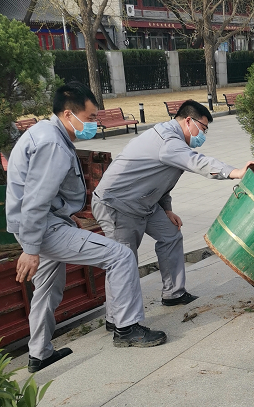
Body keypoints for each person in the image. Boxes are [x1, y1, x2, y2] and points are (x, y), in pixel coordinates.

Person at [6, 83, 167, 374]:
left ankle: (39, 354)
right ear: (69, 114)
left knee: (47, 288)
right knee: (120, 255)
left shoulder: (46, 132)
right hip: (42, 228)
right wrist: (30, 248)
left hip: (43, 224)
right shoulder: (53, 144)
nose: (95, 123)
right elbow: (36, 199)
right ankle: (126, 329)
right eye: (90, 117)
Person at [92, 100, 254, 331]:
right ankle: (120, 323)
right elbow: (198, 162)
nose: (203, 135)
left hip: (144, 202)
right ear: (188, 120)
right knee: (123, 260)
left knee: (170, 235)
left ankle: (173, 293)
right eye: (203, 128)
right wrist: (235, 172)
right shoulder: (167, 141)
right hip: (118, 204)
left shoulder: (174, 140)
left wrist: (167, 209)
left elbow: (161, 178)